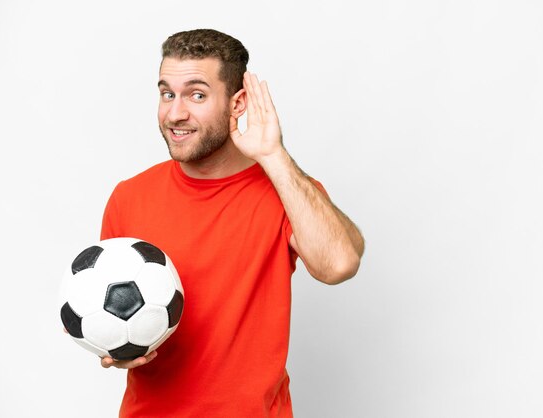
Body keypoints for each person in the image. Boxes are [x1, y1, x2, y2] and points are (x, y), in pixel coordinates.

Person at [98, 28, 364, 417]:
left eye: (197, 94)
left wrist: (273, 155)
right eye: (167, 93)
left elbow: (339, 264)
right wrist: (115, 345)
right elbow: (108, 310)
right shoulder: (129, 197)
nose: (176, 113)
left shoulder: (285, 189)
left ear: (237, 103)